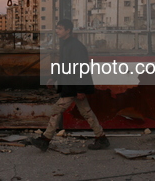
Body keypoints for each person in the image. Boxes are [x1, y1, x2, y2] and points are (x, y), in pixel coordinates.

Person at [31, 19, 109, 151]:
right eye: (57, 28)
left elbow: (80, 69)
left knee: (56, 110)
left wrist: (80, 90)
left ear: (68, 30)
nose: (57, 31)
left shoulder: (75, 46)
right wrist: (53, 78)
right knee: (87, 112)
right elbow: (62, 65)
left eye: (60, 28)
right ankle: (101, 138)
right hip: (71, 85)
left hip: (73, 87)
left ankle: (45, 139)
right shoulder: (66, 45)